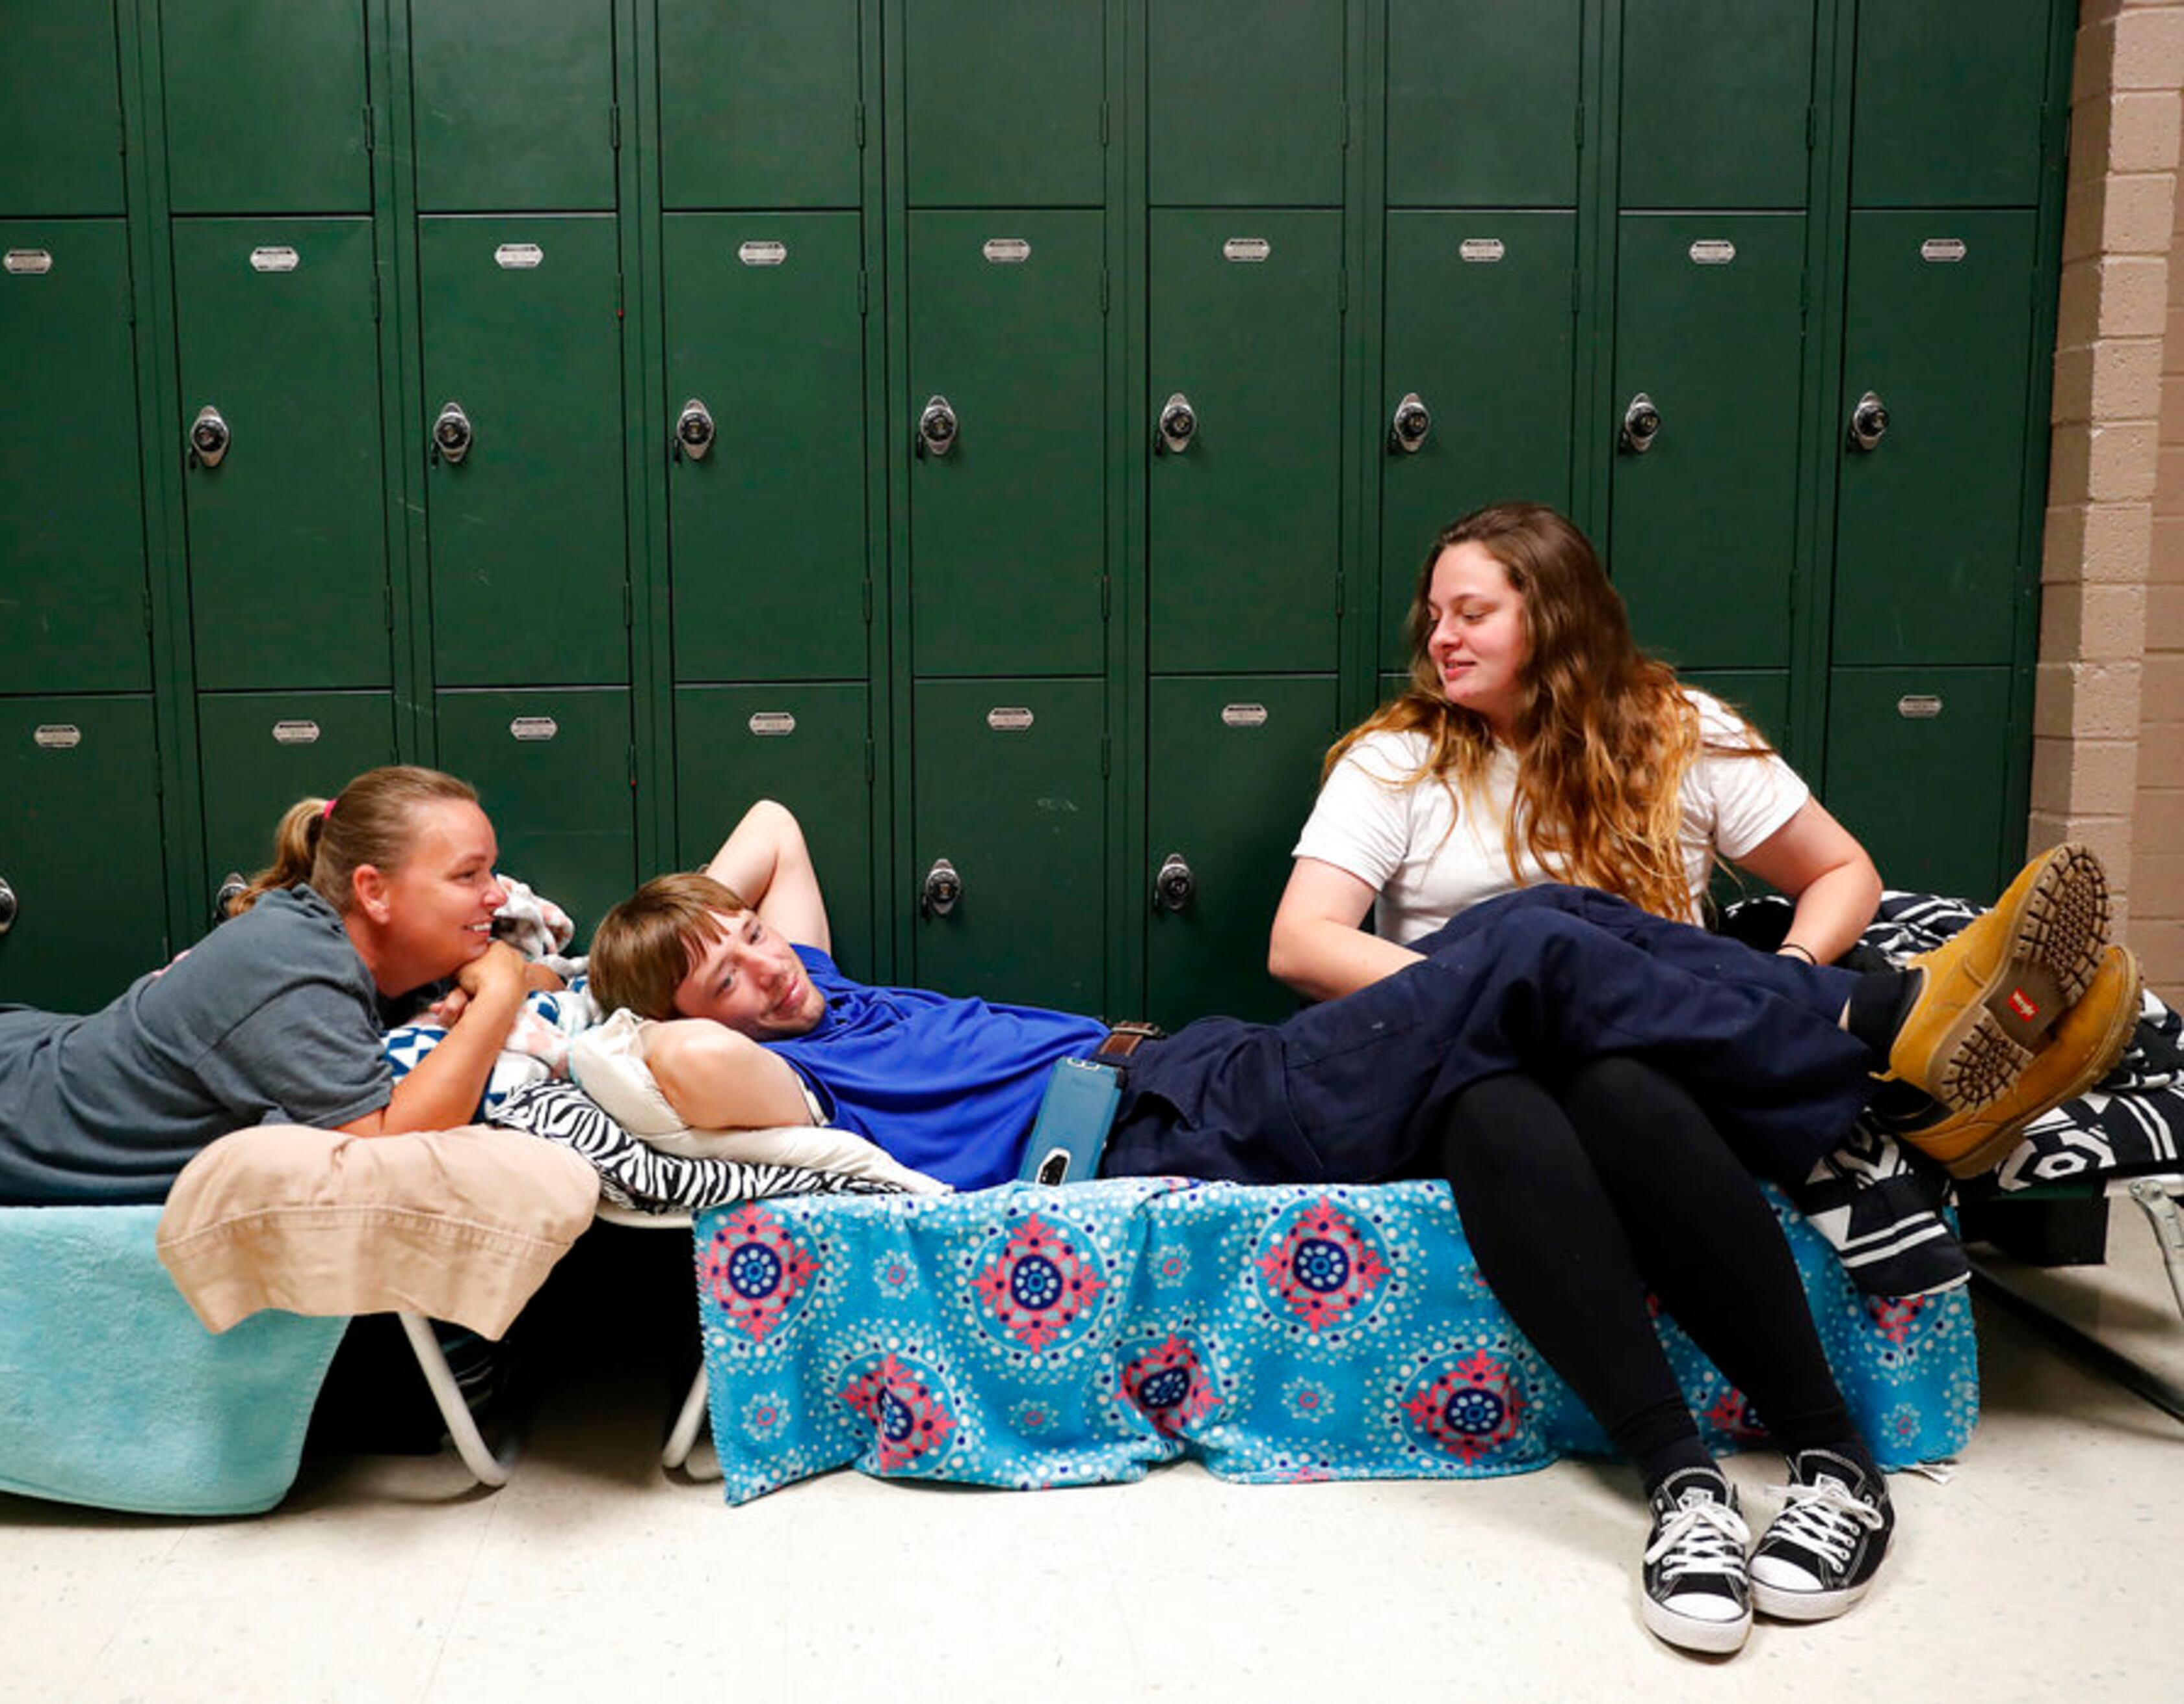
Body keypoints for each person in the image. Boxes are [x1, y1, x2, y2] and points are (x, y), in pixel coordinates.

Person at [587, 794, 2121, 1652]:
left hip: (1183, 1061)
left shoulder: (823, 981)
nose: (759, 965)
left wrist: (692, 917)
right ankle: (1888, 1030)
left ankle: (1871, 1086)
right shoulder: (771, 1067)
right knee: (1524, 937)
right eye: (725, 969)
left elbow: (782, 823)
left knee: (1552, 993)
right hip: (1156, 1129)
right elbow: (664, 1056)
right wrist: (578, 980)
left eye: (746, 942)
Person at [1260, 501, 2141, 1651]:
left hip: (1657, 1059)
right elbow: (1304, 942)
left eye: (1472, 612)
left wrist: (1780, 961)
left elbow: (1841, 871)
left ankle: (1835, 1462)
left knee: (1618, 1083)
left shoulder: (1682, 730)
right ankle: (1685, 1482)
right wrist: (1487, 989)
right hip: (1470, 1055)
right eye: (1435, 616)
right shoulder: (1402, 756)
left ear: (1557, 617)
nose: (1442, 638)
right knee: (1507, 1061)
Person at [0, 765, 546, 1210]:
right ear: (373, 891)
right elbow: (384, 1140)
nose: (498, 895)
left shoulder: (349, 943)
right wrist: (497, 988)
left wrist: (509, 970)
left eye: (493, 871)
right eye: (470, 875)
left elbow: (547, 975)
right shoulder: (294, 964)